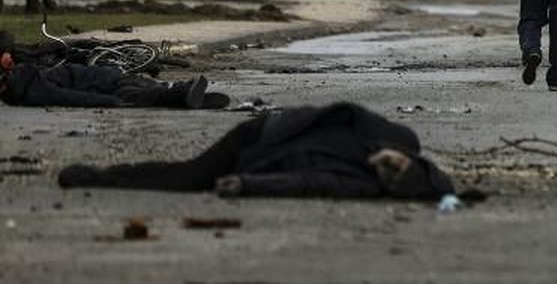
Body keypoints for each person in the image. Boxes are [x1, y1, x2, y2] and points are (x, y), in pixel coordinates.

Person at [56, 102, 456, 200]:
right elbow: (345, 110)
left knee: (191, 179)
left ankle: (98, 177)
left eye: (390, 175)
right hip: (262, 134)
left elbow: (307, 182)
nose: (386, 168)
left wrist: (247, 184)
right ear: (409, 159)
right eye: (397, 166)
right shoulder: (394, 135)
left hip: (262, 155)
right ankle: (99, 176)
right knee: (190, 177)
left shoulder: (366, 184)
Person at [0, 47, 223, 109]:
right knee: (148, 90)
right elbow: (68, 95)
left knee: (144, 95)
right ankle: (184, 93)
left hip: (106, 86)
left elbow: (68, 96)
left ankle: (182, 93)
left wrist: (106, 101)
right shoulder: (30, 78)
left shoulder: (28, 86)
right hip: (110, 79)